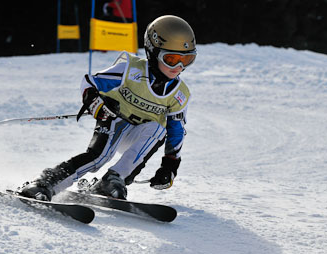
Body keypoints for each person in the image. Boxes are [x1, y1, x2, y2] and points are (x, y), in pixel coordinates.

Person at [18, 15, 197, 201]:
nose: (178, 67)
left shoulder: (179, 93)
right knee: (99, 157)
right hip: (113, 120)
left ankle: (113, 180)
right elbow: (89, 82)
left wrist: (169, 165)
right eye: (171, 58)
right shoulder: (131, 69)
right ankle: (44, 183)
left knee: (158, 130)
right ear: (153, 51)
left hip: (137, 135)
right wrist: (96, 104)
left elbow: (176, 130)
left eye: (187, 60)